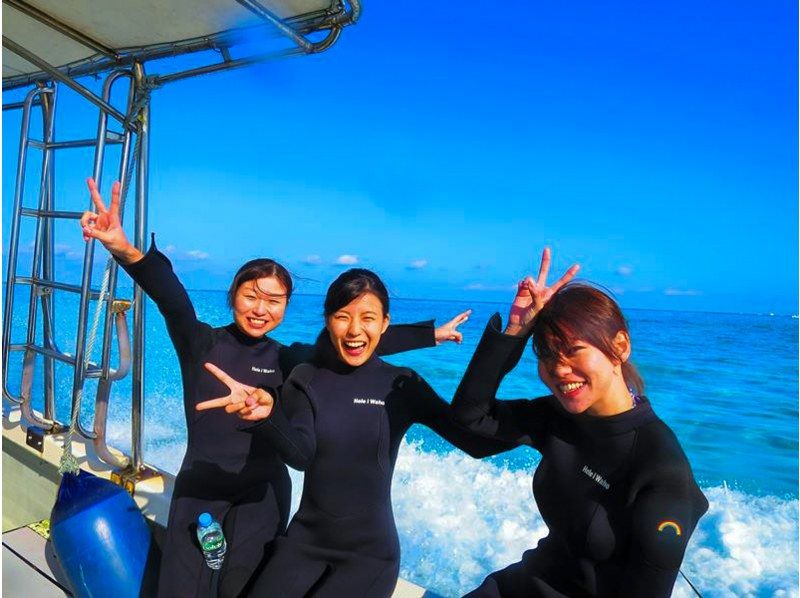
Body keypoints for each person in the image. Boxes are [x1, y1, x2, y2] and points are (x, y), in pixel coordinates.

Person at [79, 179, 472, 598]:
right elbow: (173, 301)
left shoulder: (290, 358)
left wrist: (430, 334)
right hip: (202, 486)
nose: (261, 309)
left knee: (242, 587)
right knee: (180, 588)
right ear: (233, 296)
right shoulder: (203, 345)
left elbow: (351, 341)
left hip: (262, 493)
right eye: (252, 296)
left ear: (286, 307)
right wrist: (125, 249)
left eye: (275, 300)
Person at [197, 268, 511, 597]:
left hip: (369, 556)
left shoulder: (402, 385)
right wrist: (269, 416)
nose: (355, 330)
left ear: (385, 323)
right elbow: (300, 455)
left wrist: (510, 344)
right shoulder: (306, 378)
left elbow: (475, 441)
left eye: (368, 318)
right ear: (328, 320)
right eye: (342, 316)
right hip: (303, 543)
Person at [451, 248, 709, 597]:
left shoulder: (661, 470)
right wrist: (515, 330)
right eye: (546, 355)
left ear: (620, 346)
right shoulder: (560, 416)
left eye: (573, 350)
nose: (558, 369)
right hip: (518, 586)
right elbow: (470, 422)